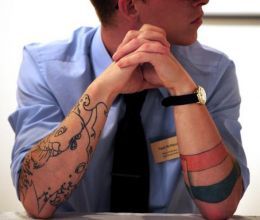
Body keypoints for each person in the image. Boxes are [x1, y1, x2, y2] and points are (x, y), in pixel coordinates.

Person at [9, 0, 249, 219]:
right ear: (130, 6)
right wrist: (104, 88)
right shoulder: (45, 68)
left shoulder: (215, 71)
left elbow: (220, 207)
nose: (204, 0)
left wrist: (184, 91)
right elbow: (36, 199)